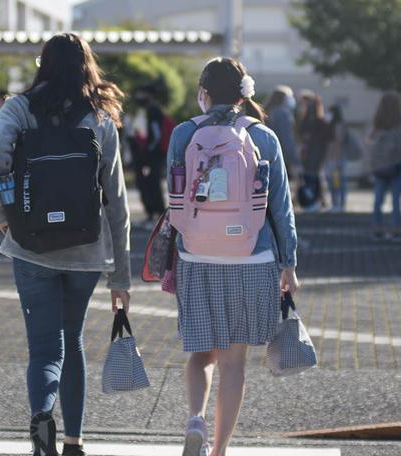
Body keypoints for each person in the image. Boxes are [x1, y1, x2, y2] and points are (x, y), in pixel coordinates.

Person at [0, 33, 131, 456]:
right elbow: (117, 201)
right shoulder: (100, 117)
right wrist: (121, 277)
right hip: (86, 250)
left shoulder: (21, 108)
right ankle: (74, 442)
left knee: (45, 349)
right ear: (87, 66)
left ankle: (42, 419)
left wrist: (1, 217)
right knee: (73, 340)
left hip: (31, 246)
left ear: (42, 63)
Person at [167, 57, 298, 456]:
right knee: (233, 362)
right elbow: (280, 208)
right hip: (252, 257)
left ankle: (195, 420)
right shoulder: (263, 137)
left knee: (199, 352)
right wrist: (289, 263)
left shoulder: (183, 134)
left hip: (197, 256)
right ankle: (219, 450)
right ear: (244, 94)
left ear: (203, 93)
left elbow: (174, 198)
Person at [367, 92, 401, 241]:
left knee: (378, 199)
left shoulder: (378, 121)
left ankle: (377, 229)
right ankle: (396, 230)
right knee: (396, 199)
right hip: (398, 164)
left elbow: (369, 140)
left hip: (380, 166)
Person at [127, 85, 168, 224]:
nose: (139, 97)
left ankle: (158, 214)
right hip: (145, 155)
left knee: (153, 184)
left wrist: (147, 150)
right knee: (145, 184)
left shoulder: (153, 111)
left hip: (152, 155)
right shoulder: (143, 111)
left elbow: (156, 135)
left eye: (142, 94)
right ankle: (151, 213)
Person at [297, 93, 332, 211]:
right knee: (309, 177)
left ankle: (317, 200)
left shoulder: (321, 122)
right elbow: (301, 134)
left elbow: (326, 140)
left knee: (315, 177)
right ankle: (310, 201)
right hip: (308, 153)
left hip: (316, 153)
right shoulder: (306, 121)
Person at [263, 85, 301, 179]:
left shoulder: (266, 111)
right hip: (280, 159)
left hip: (265, 157)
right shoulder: (283, 113)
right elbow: (287, 139)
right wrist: (295, 160)